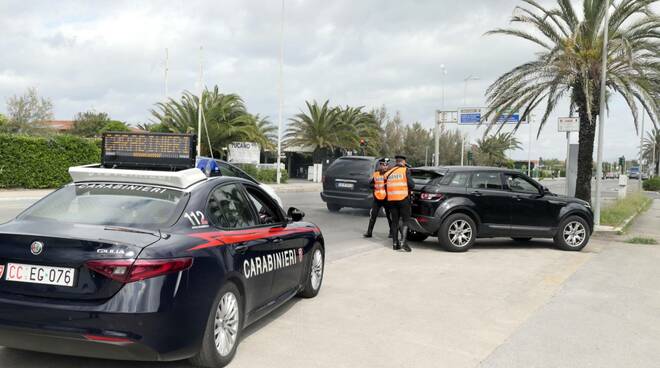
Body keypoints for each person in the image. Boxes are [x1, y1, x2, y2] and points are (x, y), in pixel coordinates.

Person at [385, 155, 414, 252]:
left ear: (396, 162)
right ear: (403, 162)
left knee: (394, 221)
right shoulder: (405, 170)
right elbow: (411, 185)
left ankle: (395, 243)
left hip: (391, 200)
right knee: (406, 220)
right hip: (402, 199)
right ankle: (403, 242)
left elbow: (386, 185)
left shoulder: (388, 172)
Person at [363, 158, 393, 238]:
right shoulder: (376, 174)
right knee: (373, 215)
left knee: (389, 216)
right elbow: (371, 184)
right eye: (383, 165)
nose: (385, 167)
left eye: (386, 165)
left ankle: (392, 232)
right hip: (377, 198)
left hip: (387, 198)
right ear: (380, 165)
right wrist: (374, 186)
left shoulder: (390, 174)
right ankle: (369, 232)